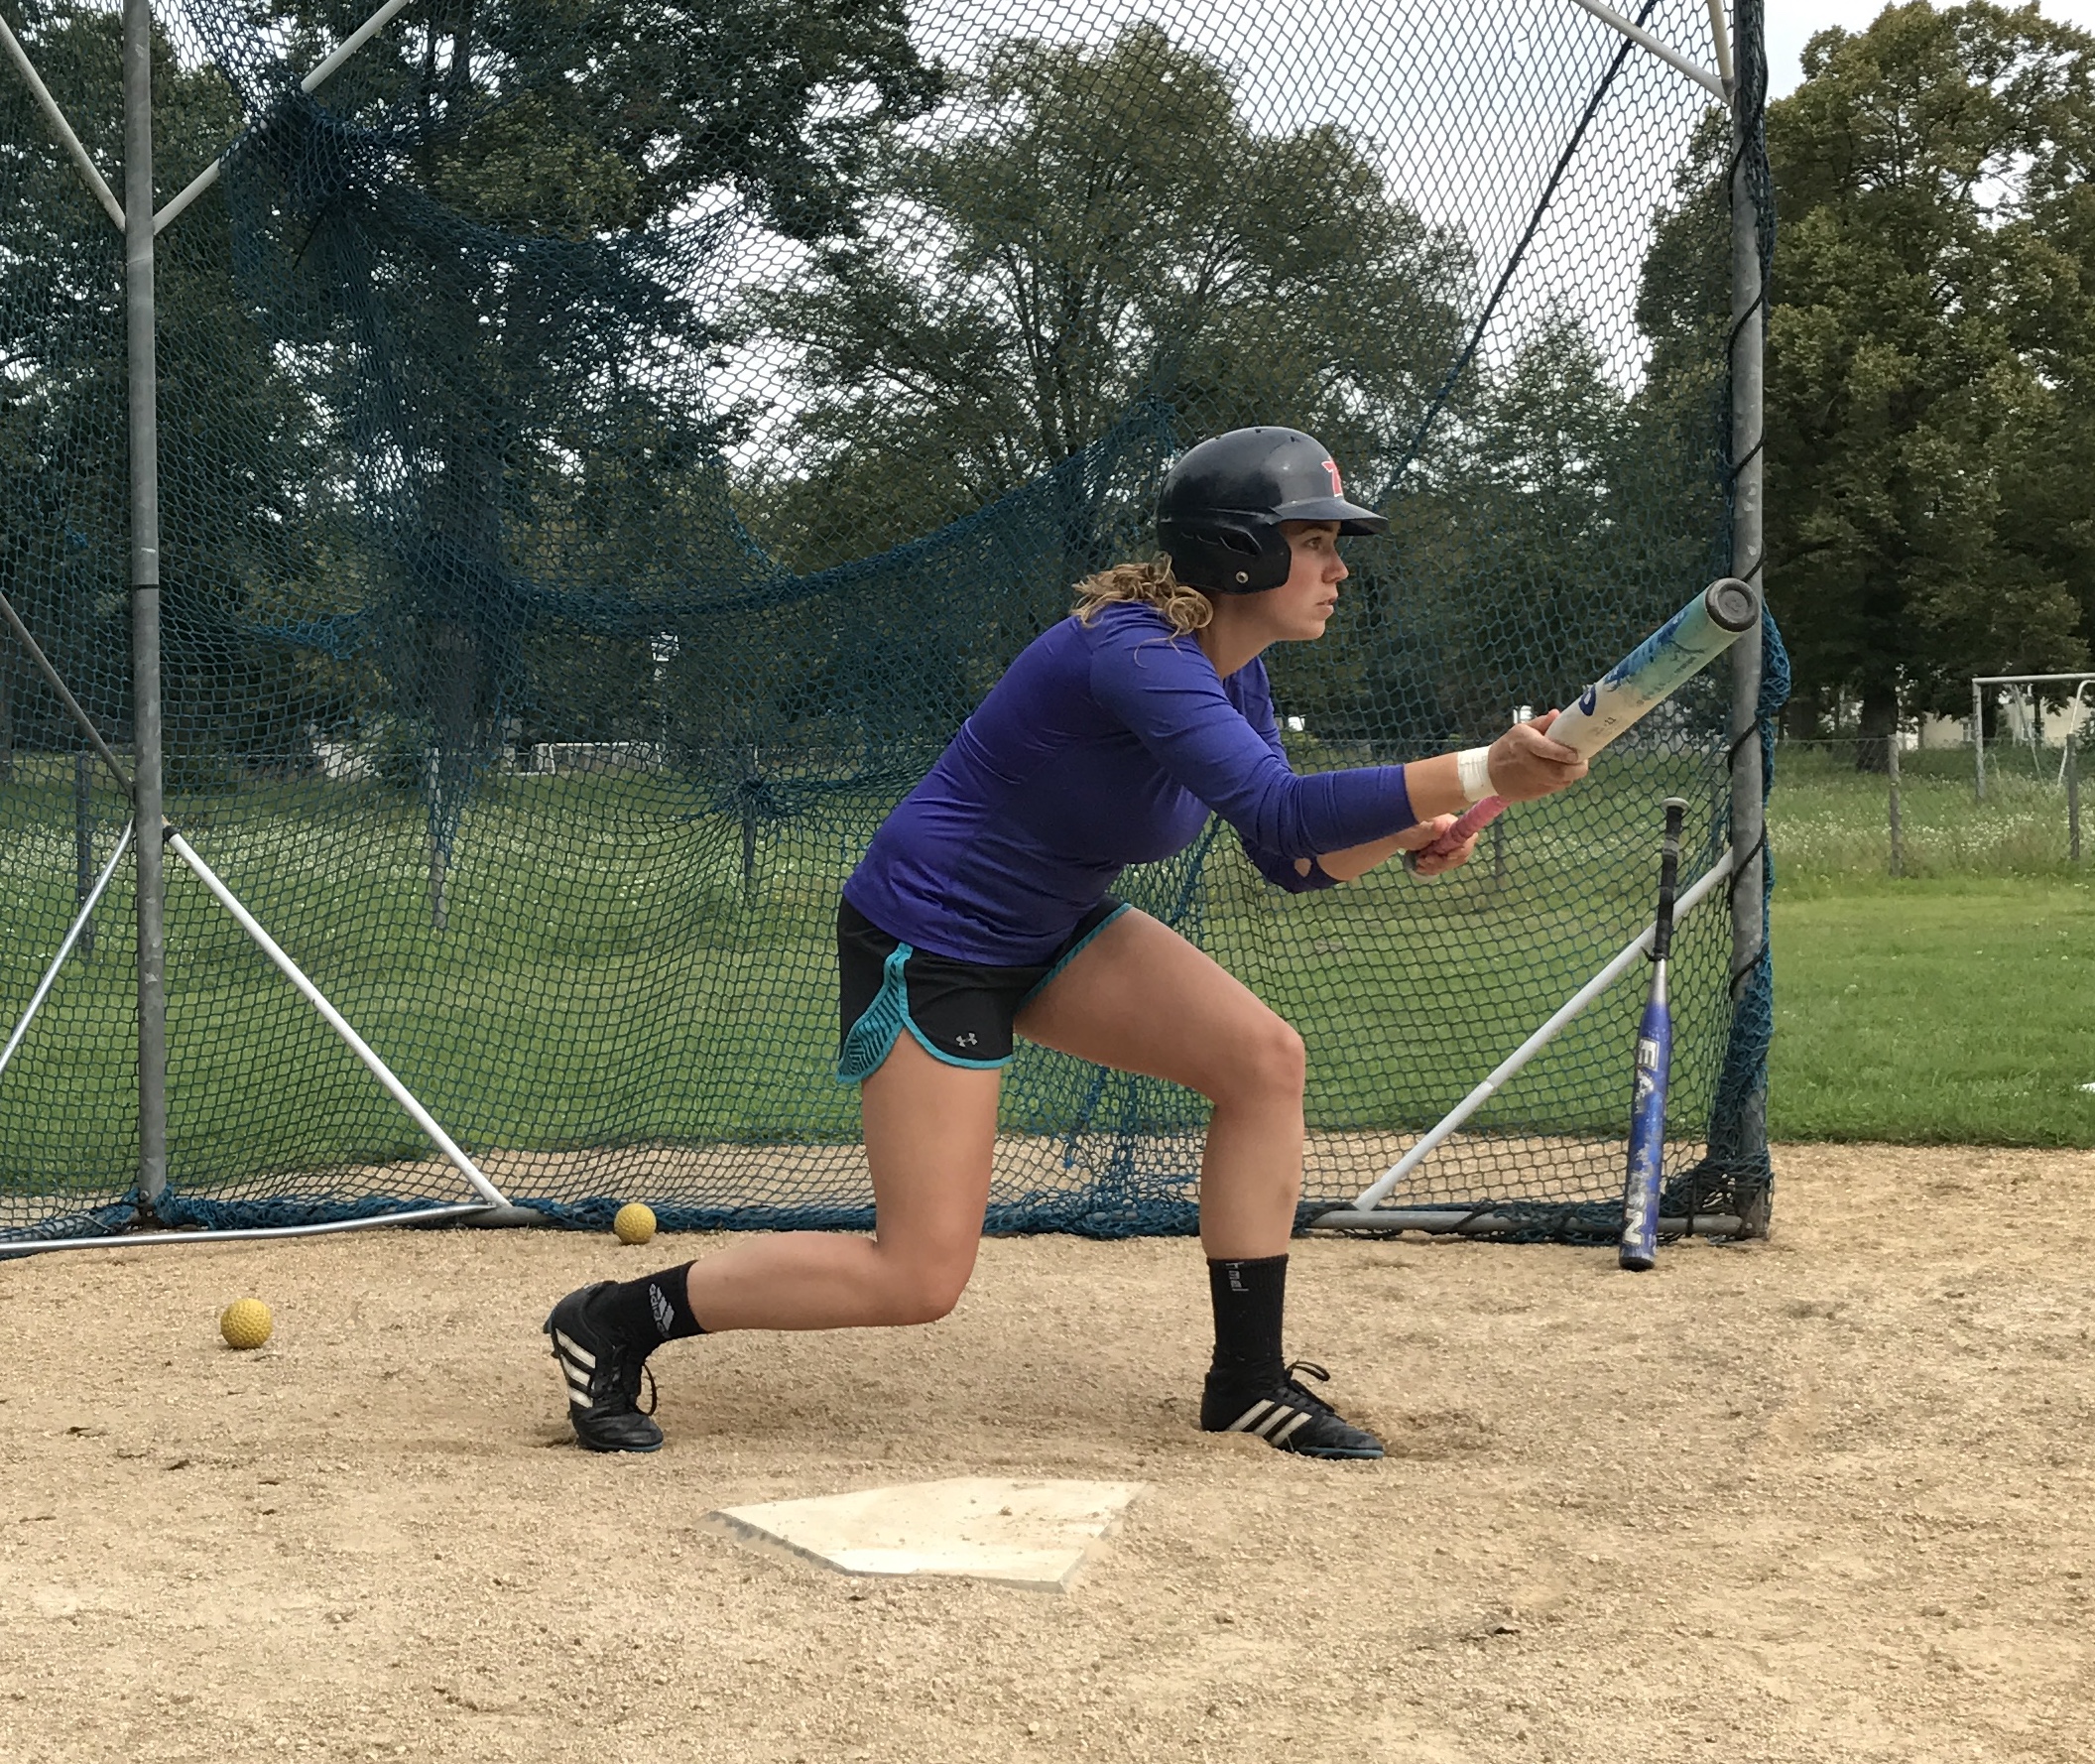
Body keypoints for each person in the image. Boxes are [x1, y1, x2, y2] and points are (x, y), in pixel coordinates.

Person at [544, 426, 1587, 1459]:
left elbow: (1293, 857)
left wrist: (1410, 830)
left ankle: (1247, 1382)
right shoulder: (1134, 650)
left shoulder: (1235, 666)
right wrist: (1482, 770)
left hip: (1051, 924)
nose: (1337, 566)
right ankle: (616, 1317)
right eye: (1314, 540)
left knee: (1262, 1060)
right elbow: (1283, 811)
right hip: (934, 933)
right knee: (918, 1277)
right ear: (1242, 550)